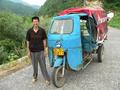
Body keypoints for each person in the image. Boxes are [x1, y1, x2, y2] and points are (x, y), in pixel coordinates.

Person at [26, 16, 50, 85]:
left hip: (41, 51)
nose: (35, 23)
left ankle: (46, 78)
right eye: (34, 21)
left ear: (38, 22)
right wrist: (28, 51)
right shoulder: (29, 31)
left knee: (43, 65)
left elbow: (44, 40)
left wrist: (45, 50)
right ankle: (35, 77)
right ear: (32, 22)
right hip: (32, 51)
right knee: (34, 66)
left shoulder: (42, 30)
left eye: (36, 21)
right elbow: (27, 41)